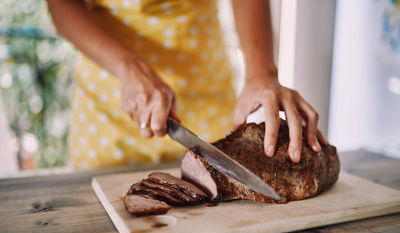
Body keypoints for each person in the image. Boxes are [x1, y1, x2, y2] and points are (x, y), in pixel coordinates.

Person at [47, 0, 327, 169]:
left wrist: (261, 71)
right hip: (108, 105)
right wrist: (128, 68)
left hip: (208, 98)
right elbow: (61, 5)